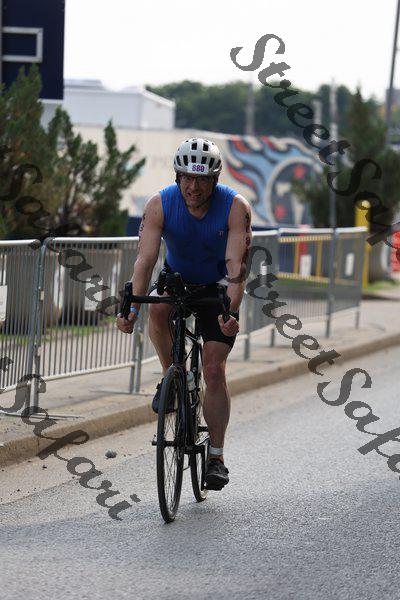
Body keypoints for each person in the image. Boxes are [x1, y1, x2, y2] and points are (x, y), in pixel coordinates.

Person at [117, 137, 252, 490]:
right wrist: (131, 307)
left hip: (217, 288)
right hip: (176, 281)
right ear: (177, 177)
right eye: (187, 178)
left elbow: (236, 267)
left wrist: (230, 311)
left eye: (202, 179)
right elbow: (145, 260)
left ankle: (216, 457)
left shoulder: (235, 207)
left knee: (214, 369)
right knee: (157, 308)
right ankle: (172, 379)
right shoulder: (159, 204)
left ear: (214, 180)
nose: (193, 187)